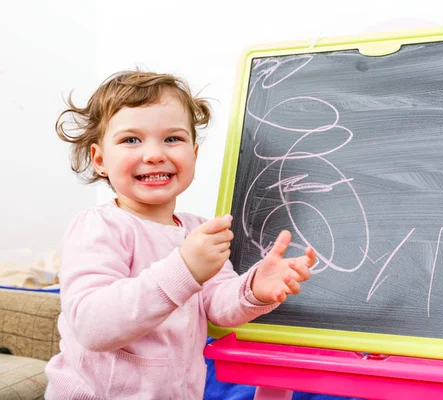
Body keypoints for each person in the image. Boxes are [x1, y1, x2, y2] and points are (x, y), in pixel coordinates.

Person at [44, 69, 317, 399]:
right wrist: (185, 269)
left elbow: (217, 305)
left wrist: (254, 289)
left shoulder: (197, 230)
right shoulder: (99, 227)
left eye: (173, 139)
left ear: (194, 154)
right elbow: (92, 326)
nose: (155, 153)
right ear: (100, 159)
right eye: (131, 139)